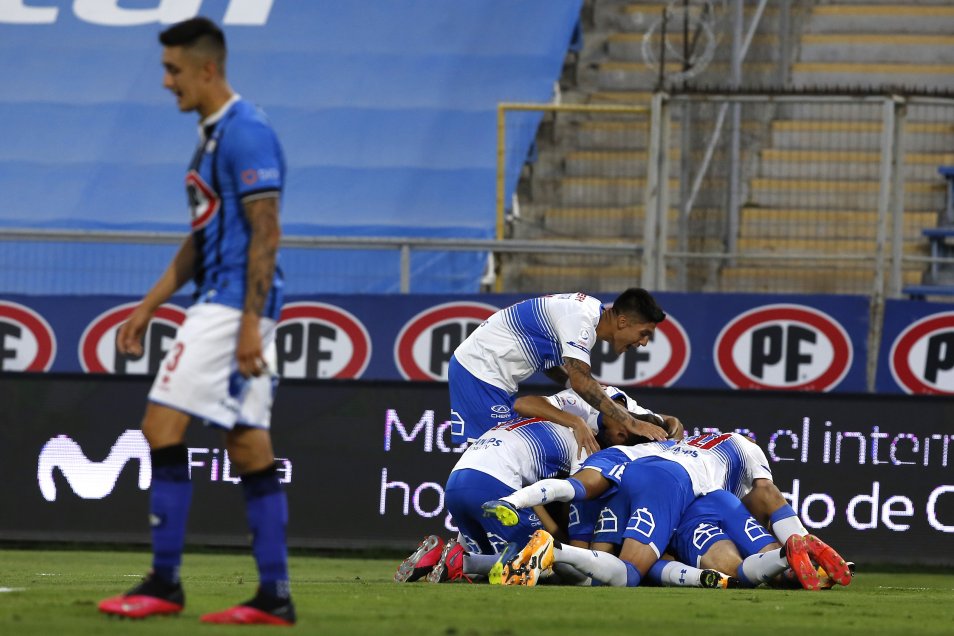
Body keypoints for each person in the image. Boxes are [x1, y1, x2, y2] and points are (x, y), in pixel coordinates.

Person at [97, 17, 294, 626]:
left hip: (231, 304)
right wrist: (150, 305)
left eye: (173, 70)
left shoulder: (246, 131)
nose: (166, 81)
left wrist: (248, 322)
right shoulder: (213, 138)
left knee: (160, 425)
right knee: (247, 444)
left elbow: (267, 230)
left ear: (207, 69)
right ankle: (274, 596)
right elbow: (201, 238)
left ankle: (164, 583)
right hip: (228, 301)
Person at [394, 386, 647, 585]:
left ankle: (438, 555)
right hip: (493, 484)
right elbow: (576, 509)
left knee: (486, 570)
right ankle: (459, 560)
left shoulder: (548, 419)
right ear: (620, 436)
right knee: (542, 565)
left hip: (455, 482)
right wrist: (570, 548)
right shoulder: (585, 443)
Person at [448, 289, 672, 448]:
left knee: (502, 453)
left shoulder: (589, 313)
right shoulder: (581, 319)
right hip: (478, 372)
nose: (644, 343)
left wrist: (570, 384)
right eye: (644, 333)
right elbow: (582, 382)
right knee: (492, 456)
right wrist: (632, 423)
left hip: (486, 375)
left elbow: (548, 358)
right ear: (622, 322)